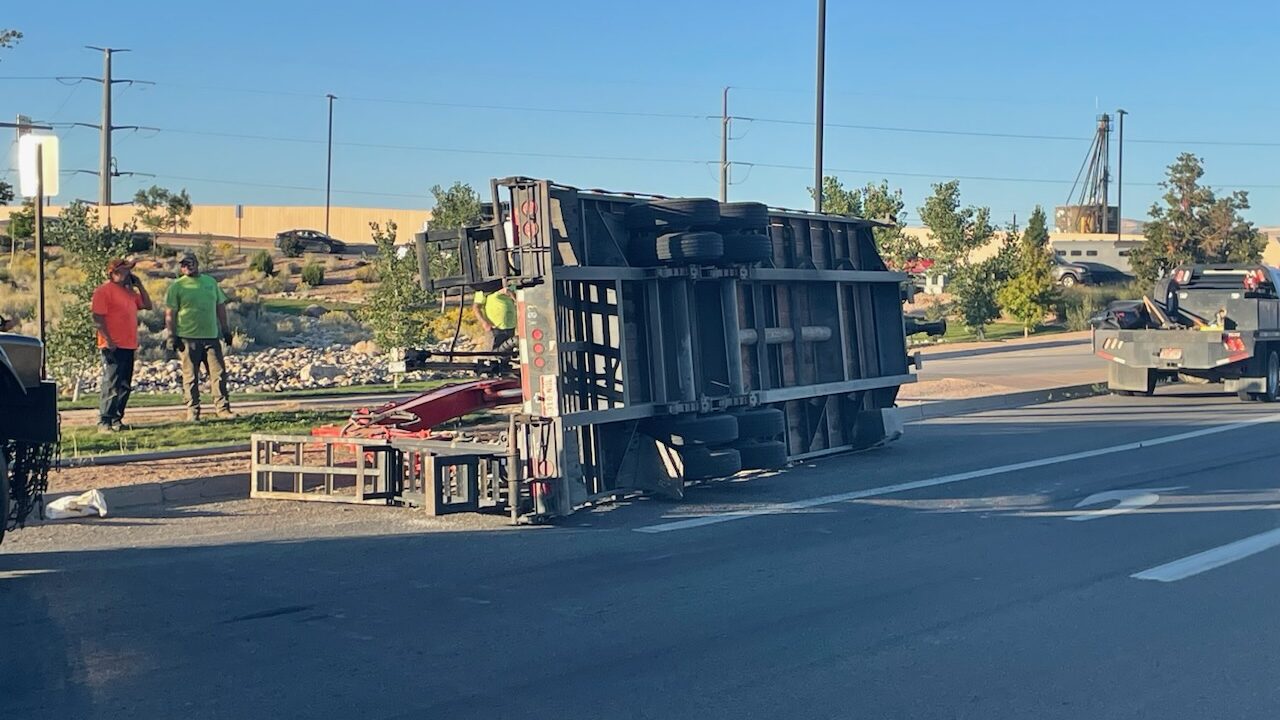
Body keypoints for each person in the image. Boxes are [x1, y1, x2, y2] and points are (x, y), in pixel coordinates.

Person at [165, 254, 234, 421]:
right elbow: (170, 312)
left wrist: (225, 330)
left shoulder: (210, 282)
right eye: (183, 265)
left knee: (218, 373)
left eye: (189, 263)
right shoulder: (177, 286)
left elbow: (220, 306)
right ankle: (193, 411)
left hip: (211, 336)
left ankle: (222, 409)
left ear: (197, 263)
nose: (187, 267)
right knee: (190, 376)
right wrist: (171, 335)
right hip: (188, 338)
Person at [91, 258, 153, 432]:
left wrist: (139, 286)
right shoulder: (103, 291)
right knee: (112, 383)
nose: (127, 274)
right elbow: (97, 318)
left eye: (128, 271)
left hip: (128, 344)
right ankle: (104, 420)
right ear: (113, 273)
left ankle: (117, 418)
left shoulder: (128, 293)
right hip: (112, 344)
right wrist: (108, 340)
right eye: (123, 271)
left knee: (124, 384)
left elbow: (147, 305)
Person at [472, 280, 517, 352]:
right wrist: (484, 323)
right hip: (494, 328)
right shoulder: (484, 289)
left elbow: (516, 298)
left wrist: (512, 295)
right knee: (494, 353)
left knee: (508, 353)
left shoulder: (509, 285)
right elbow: (476, 308)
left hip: (510, 326)